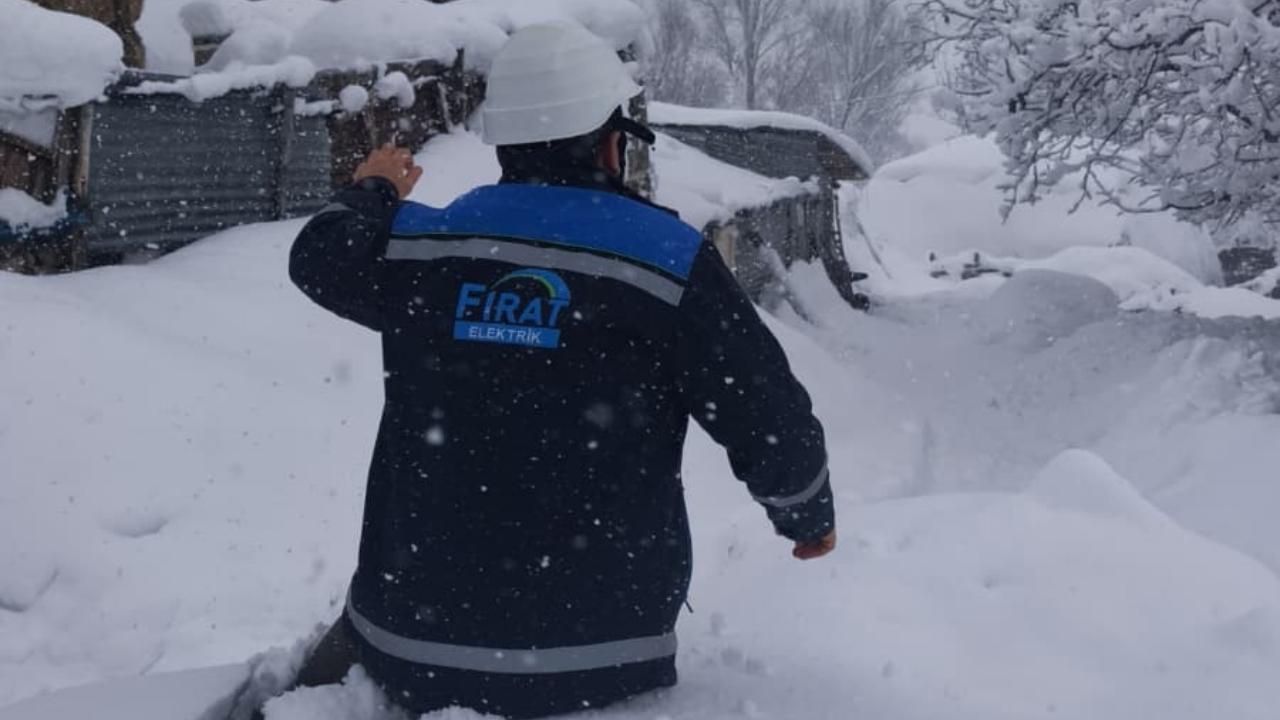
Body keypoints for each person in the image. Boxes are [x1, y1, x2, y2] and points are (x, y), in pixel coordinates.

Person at [287, 21, 836, 719]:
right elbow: (763, 407)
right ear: (612, 143)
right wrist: (805, 512)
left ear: (502, 141)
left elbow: (319, 256)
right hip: (596, 660)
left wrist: (373, 191)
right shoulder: (665, 262)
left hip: (409, 644)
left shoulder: (424, 248)